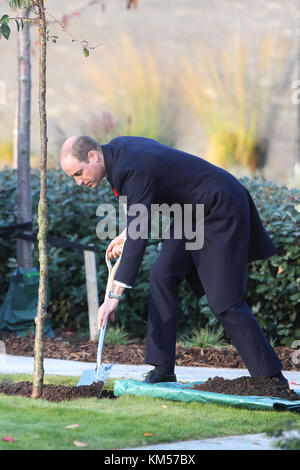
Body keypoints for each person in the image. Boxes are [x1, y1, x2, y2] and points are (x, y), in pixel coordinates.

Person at [60, 134, 288, 386]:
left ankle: (271, 378)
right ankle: (163, 368)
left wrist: (114, 296)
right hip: (190, 212)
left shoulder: (129, 165)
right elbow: (140, 205)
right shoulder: (118, 151)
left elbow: (141, 230)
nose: (78, 182)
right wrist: (127, 232)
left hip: (220, 206)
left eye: (78, 173)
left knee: (225, 302)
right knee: (162, 276)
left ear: (93, 156)